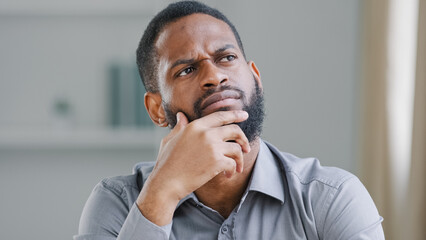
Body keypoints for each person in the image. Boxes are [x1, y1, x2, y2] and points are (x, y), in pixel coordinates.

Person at [74, 1, 385, 239]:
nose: (214, 75)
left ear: (255, 78)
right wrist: (162, 193)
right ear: (156, 108)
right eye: (186, 69)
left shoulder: (332, 198)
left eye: (226, 58)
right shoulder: (116, 204)